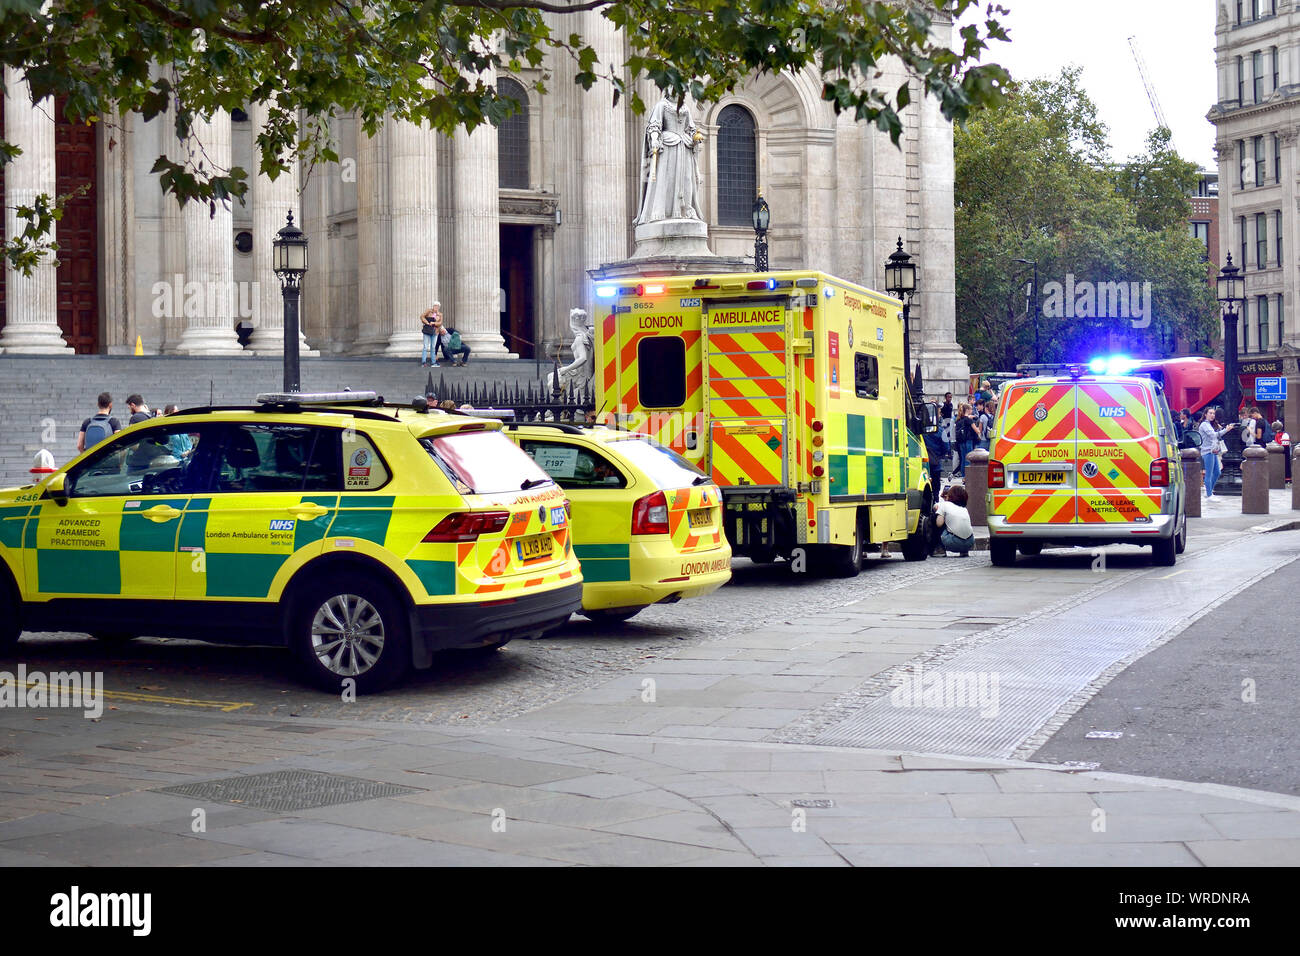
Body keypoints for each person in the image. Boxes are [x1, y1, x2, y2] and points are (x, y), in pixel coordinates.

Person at [633, 93, 704, 224]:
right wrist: (654, 138)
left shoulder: (685, 108)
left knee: (687, 179)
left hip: (684, 145)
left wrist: (695, 137)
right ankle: (662, 211)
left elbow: (691, 128)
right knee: (667, 178)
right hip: (667, 146)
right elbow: (654, 125)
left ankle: (687, 209)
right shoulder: (662, 106)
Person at [1197, 407, 1234, 498]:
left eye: (1213, 413)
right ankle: (1209, 495)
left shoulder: (1209, 424)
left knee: (1217, 472)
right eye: (1210, 413)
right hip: (1207, 451)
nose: (1212, 415)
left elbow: (1215, 435)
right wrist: (1226, 430)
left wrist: (1224, 430)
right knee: (1209, 474)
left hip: (1212, 451)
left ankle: (1209, 491)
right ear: (1205, 414)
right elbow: (1213, 435)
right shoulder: (1204, 425)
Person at [932, 484, 975, 557]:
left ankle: (939, 549)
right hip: (970, 542)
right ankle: (964, 551)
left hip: (953, 543)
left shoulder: (944, 505)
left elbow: (939, 524)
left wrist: (938, 511)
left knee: (934, 519)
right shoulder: (964, 509)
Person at [953, 402, 976, 478]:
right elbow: (977, 430)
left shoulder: (958, 419)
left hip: (961, 441)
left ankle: (963, 476)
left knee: (963, 458)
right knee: (969, 458)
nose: (972, 410)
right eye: (971, 409)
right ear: (968, 410)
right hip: (968, 440)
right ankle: (968, 476)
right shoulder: (968, 420)